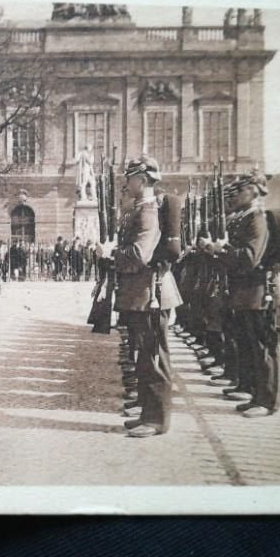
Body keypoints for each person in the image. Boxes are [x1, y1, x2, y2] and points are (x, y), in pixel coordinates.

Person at [201, 171, 280, 418]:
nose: (236, 194)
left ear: (255, 190)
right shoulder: (244, 217)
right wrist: (218, 251)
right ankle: (253, 392)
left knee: (262, 347)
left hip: (257, 291)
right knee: (248, 344)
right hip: (244, 291)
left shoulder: (257, 218)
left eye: (242, 189)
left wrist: (219, 249)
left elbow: (249, 258)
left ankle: (267, 401)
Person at [114, 155, 174, 438]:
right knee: (145, 357)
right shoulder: (140, 208)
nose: (127, 182)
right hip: (142, 293)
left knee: (154, 357)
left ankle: (157, 419)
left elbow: (140, 254)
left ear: (142, 179)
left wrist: (111, 253)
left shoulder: (148, 211)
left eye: (130, 178)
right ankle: (148, 413)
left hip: (151, 293)